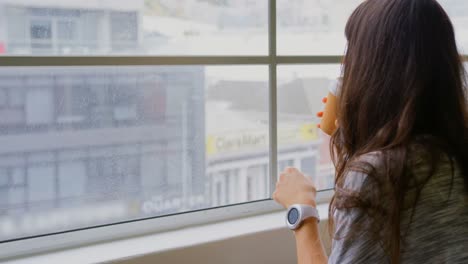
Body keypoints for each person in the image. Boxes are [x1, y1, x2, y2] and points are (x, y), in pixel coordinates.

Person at [273, 0, 468, 263]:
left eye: (352, 51)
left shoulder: (377, 175)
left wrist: (301, 211)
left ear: (372, 68)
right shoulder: (454, 151)